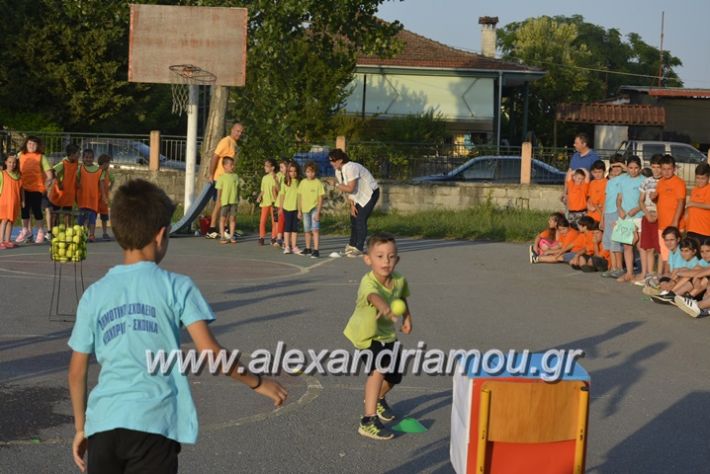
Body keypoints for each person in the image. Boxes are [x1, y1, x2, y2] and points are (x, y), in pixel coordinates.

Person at [67, 179, 287, 473]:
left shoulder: (95, 293)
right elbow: (211, 354)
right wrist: (258, 383)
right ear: (161, 235)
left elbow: (76, 371)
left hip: (104, 424)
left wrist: (82, 428)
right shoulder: (177, 287)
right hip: (154, 424)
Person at [343, 232, 412, 440]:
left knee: (394, 376)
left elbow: (401, 298)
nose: (386, 261)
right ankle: (368, 420)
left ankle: (378, 398)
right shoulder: (368, 282)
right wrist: (385, 307)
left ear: (397, 259)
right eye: (380, 256)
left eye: (391, 256)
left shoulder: (399, 280)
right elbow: (374, 296)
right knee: (378, 370)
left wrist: (408, 318)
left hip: (387, 335)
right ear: (368, 259)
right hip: (366, 336)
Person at [329, 149, 380, 257]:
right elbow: (347, 189)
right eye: (330, 161)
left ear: (340, 160)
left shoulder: (351, 167)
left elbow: (350, 188)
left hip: (370, 193)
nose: (331, 163)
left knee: (360, 218)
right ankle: (352, 245)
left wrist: (336, 185)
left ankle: (359, 248)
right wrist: (352, 205)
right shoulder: (338, 171)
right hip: (357, 196)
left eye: (333, 160)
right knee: (353, 217)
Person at [205, 123, 244, 239]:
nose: (239, 134)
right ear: (231, 130)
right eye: (237, 131)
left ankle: (226, 229)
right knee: (220, 203)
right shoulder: (225, 141)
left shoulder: (233, 143)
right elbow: (215, 156)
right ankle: (211, 229)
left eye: (241, 132)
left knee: (229, 202)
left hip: (229, 179)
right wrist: (211, 174)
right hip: (221, 178)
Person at [15, 136, 53, 244]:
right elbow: (13, 167)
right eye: (29, 144)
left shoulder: (41, 157)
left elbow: (49, 175)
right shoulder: (20, 155)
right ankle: (25, 230)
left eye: (34, 144)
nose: (31, 146)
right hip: (23, 187)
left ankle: (40, 231)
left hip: (37, 188)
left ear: (38, 146)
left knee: (37, 210)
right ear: (26, 144)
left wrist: (46, 185)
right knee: (24, 209)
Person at [652, 154, 686, 274]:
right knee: (665, 254)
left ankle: (671, 280)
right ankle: (666, 278)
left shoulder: (679, 182)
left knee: (676, 254)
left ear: (674, 168)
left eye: (669, 169)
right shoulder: (660, 182)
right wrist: (653, 198)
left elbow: (681, 202)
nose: (666, 172)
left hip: (674, 225)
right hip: (662, 224)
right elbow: (659, 200)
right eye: (664, 169)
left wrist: (675, 221)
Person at [615, 156, 644, 282]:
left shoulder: (644, 181)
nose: (633, 171)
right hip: (626, 217)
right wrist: (620, 209)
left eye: (636, 168)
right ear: (627, 168)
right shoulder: (623, 180)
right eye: (631, 168)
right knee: (627, 246)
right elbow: (619, 198)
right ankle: (629, 273)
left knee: (640, 245)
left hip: (639, 216)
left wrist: (637, 209)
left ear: (640, 168)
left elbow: (645, 200)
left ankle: (644, 273)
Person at [637, 155, 663, 285]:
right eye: (653, 167)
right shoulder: (646, 181)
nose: (656, 170)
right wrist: (646, 213)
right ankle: (648, 274)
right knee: (648, 248)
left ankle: (658, 276)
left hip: (660, 217)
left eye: (659, 167)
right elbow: (641, 201)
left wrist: (658, 214)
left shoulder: (664, 181)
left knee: (660, 249)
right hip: (647, 216)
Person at [600, 157, 626, 278]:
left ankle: (620, 267)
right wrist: (602, 218)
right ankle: (613, 267)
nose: (615, 169)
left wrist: (621, 164)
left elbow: (636, 172)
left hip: (617, 212)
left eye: (618, 166)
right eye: (613, 166)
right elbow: (606, 200)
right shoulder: (609, 181)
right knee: (610, 241)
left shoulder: (625, 179)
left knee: (617, 241)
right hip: (608, 213)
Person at [48, 144, 81, 229]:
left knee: (68, 212)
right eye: (78, 153)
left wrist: (77, 182)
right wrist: (59, 183)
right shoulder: (63, 163)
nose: (79, 155)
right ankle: (53, 230)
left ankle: (68, 229)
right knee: (56, 212)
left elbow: (74, 174)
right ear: (72, 154)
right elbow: (53, 171)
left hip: (69, 192)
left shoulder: (76, 162)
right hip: (60, 192)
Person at [297, 161, 325, 258]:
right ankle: (308, 248)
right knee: (307, 230)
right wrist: (299, 211)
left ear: (315, 172)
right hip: (305, 210)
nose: (310, 174)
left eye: (312, 172)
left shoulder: (318, 183)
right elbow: (299, 197)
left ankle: (316, 250)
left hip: (314, 209)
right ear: (305, 172)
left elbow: (320, 198)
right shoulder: (302, 183)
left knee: (315, 230)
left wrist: (318, 212)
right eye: (308, 172)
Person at [562, 132, 599, 205]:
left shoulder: (594, 158)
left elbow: (597, 177)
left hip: (585, 195)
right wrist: (565, 192)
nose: (574, 145)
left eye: (576, 143)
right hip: (572, 194)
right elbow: (569, 173)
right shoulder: (575, 156)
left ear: (584, 144)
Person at [76, 149, 104, 242]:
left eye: (90, 157)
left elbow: (101, 184)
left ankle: (91, 235)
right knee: (81, 219)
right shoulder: (80, 168)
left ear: (93, 158)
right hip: (82, 199)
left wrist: (103, 196)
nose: (88, 159)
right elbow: (76, 180)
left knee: (92, 219)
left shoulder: (99, 170)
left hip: (93, 199)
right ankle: (79, 235)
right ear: (83, 158)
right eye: (86, 157)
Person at [0, 153, 23, 249]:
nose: (11, 164)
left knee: (11, 221)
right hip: (4, 201)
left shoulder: (19, 176)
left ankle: (7, 240)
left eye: (14, 162)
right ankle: (1, 241)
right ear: (5, 162)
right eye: (9, 162)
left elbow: (22, 189)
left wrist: (23, 200)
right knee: (4, 220)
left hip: (15, 202)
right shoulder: (2, 174)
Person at [215, 157, 239, 244]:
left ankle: (232, 236)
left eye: (233, 165)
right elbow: (219, 190)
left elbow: (237, 189)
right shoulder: (221, 178)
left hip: (234, 201)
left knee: (232, 219)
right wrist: (218, 200)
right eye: (230, 165)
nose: (232, 166)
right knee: (222, 219)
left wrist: (237, 199)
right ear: (225, 166)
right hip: (224, 201)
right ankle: (222, 236)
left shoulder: (235, 176)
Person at [279, 161, 301, 254]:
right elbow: (282, 195)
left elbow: (301, 197)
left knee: (295, 228)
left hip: (296, 209)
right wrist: (280, 208)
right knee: (287, 228)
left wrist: (300, 210)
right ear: (288, 172)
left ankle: (294, 246)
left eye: (295, 171)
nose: (293, 173)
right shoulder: (285, 182)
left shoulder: (299, 182)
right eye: (291, 171)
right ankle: (287, 246)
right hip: (287, 208)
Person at [685, 163, 710, 242]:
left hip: (704, 231)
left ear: (708, 178)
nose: (700, 181)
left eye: (703, 178)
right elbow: (689, 208)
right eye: (698, 178)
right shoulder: (695, 190)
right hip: (692, 229)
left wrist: (693, 203)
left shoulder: (708, 189)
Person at [256, 158, 279, 246]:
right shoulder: (264, 178)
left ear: (272, 168)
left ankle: (273, 237)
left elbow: (278, 189)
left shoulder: (276, 177)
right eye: (265, 166)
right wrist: (259, 196)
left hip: (273, 203)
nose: (264, 167)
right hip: (265, 203)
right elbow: (262, 190)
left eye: (267, 166)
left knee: (274, 222)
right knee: (262, 221)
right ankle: (261, 237)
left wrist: (276, 180)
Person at [96, 154, 114, 240]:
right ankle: (91, 233)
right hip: (98, 198)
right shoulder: (99, 171)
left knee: (104, 216)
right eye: (108, 163)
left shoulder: (106, 172)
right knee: (94, 216)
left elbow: (112, 179)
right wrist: (104, 195)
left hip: (102, 199)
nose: (109, 165)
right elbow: (102, 183)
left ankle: (104, 233)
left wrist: (109, 188)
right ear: (105, 163)